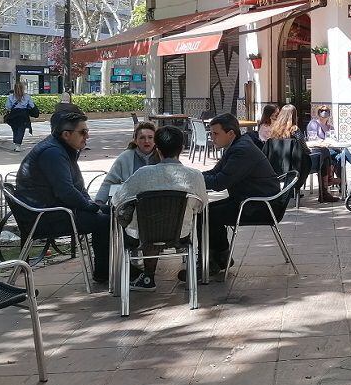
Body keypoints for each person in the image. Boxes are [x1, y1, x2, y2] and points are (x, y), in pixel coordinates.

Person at [15, 111, 110, 283]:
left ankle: (117, 265)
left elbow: (77, 187)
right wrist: (90, 207)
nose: (87, 136)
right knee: (106, 221)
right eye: (82, 132)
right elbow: (66, 191)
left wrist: (92, 204)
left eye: (87, 131)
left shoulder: (64, 149)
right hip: (46, 216)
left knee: (114, 212)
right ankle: (105, 272)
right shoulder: (53, 153)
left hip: (55, 210)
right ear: (66, 134)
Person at [113, 125, 207, 291]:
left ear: (157, 148)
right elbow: (201, 206)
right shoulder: (195, 176)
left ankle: (147, 277)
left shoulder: (142, 174)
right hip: (181, 235)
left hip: (142, 235)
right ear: (182, 148)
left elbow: (117, 200)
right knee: (163, 222)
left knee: (149, 225)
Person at [197, 113, 282, 278]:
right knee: (206, 211)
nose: (212, 138)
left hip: (260, 206)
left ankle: (210, 262)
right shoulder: (237, 145)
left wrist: (193, 179)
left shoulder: (241, 150)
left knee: (206, 214)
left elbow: (220, 182)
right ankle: (219, 258)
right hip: (249, 200)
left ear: (230, 134)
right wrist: (195, 176)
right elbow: (215, 173)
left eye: (215, 134)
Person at [95, 121, 160, 204]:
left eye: (150, 137)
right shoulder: (125, 157)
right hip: (130, 205)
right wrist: (99, 202)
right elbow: (109, 182)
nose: (146, 141)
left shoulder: (162, 155)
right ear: (135, 141)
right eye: (142, 138)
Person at [4, 81, 38, 152]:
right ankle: (18, 145)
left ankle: (16, 144)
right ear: (23, 88)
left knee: (15, 130)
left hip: (14, 115)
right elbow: (32, 106)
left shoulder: (10, 97)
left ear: (14, 88)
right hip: (23, 115)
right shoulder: (27, 97)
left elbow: (8, 107)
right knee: (21, 130)